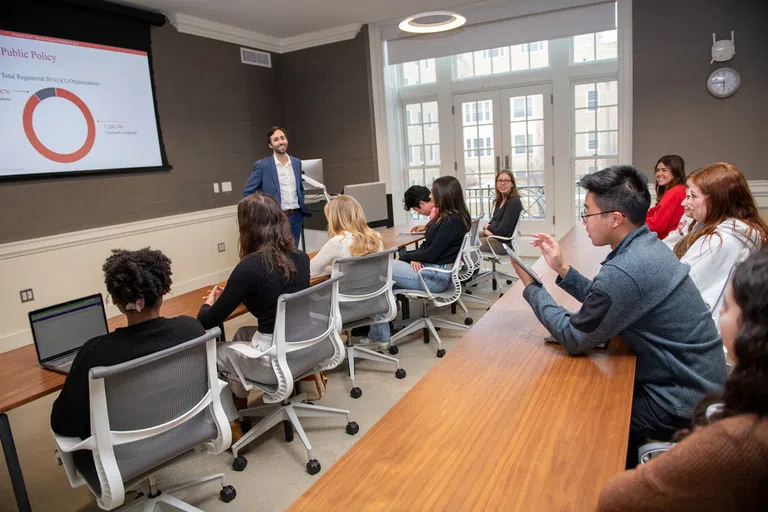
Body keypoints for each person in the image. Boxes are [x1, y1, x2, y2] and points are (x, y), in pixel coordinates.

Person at [509, 165, 727, 469]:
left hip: (682, 402)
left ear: (615, 218)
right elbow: (610, 301)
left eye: (587, 212)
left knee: (580, 421)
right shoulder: (645, 246)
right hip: (697, 385)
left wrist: (532, 287)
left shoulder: (626, 269)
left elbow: (574, 337)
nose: (583, 221)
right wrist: (561, 269)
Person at [598, 249, 768, 511]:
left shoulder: (736, 441)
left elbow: (615, 498)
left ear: (753, 329)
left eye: (726, 306)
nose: (716, 313)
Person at [51, 248, 206, 440]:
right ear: (164, 290)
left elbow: (63, 423)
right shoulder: (191, 329)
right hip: (183, 433)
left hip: (122, 457)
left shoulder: (96, 353)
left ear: (116, 300)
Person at [197, 192, 310, 401]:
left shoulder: (249, 267)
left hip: (273, 362)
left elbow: (207, 320)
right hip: (306, 348)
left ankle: (234, 416)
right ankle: (241, 401)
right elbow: (274, 289)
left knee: (210, 352)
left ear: (246, 228)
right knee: (241, 333)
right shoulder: (301, 258)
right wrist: (238, 292)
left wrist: (209, 303)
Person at [673, 162, 768, 325]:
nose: (684, 202)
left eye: (693, 196)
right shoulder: (746, 231)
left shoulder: (719, 240)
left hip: (711, 333)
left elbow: (679, 287)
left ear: (717, 200)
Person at [396, 176, 470, 293]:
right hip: (434, 270)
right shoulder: (448, 217)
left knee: (385, 268)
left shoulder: (451, 221)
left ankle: (384, 309)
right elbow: (429, 246)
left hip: (436, 277)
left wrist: (403, 257)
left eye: (433, 192)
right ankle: (387, 308)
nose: (430, 196)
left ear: (443, 195)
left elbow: (431, 254)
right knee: (388, 273)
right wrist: (415, 257)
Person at [243, 126, 310, 246]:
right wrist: (263, 212)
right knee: (278, 255)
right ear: (270, 145)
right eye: (276, 140)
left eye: (282, 138)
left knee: (294, 253)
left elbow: (300, 188)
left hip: (296, 217)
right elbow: (247, 193)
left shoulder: (296, 163)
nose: (280, 142)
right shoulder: (263, 166)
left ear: (286, 140)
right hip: (275, 219)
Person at [310, 194, 384, 278]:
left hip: (347, 290)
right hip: (376, 289)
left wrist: (334, 269)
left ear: (334, 219)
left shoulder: (338, 241)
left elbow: (311, 271)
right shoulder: (376, 236)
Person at [479, 170, 524, 254]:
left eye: (506, 180)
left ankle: (466, 266)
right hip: (495, 237)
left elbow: (502, 231)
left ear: (512, 184)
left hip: (504, 244)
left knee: (472, 245)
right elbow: (494, 222)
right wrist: (489, 229)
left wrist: (487, 228)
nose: (502, 183)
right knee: (468, 239)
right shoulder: (500, 200)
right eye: (500, 180)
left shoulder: (513, 202)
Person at [646, 155, 687, 240]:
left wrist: (633, 223)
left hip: (668, 242)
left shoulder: (675, 192)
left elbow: (656, 225)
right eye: (657, 170)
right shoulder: (679, 189)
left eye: (664, 170)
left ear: (676, 172)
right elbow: (654, 212)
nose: (659, 174)